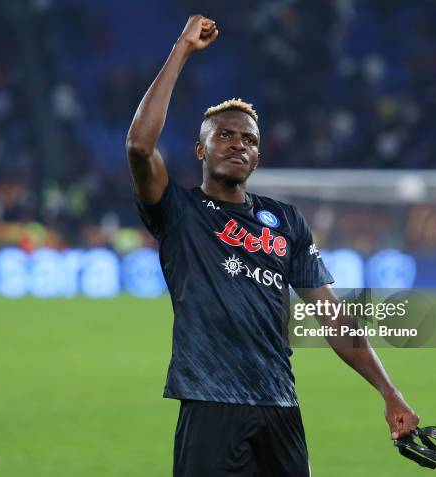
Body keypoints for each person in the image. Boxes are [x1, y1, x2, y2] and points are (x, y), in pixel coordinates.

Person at [126, 14, 419, 477]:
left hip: (280, 406)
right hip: (210, 403)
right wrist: (182, 48)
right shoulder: (178, 212)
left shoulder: (286, 222)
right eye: (224, 135)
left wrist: (388, 391)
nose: (237, 144)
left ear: (259, 155)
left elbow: (334, 318)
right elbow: (140, 147)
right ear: (201, 149)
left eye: (249, 139)